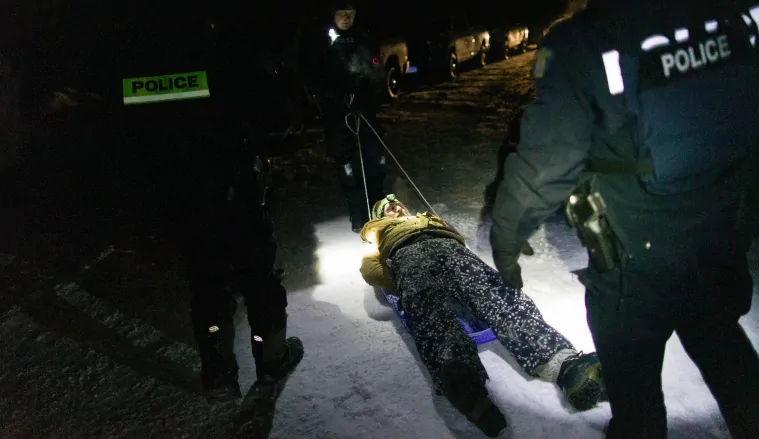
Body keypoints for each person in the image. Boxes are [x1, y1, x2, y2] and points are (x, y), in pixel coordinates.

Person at [489, 1, 759, 438]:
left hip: (632, 257)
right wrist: (755, 209)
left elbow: (546, 161)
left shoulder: (581, 42)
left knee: (634, 385)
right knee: (723, 342)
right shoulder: (737, 14)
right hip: (719, 232)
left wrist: (507, 239)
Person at [117, 1, 304, 404]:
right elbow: (277, 118)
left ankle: (219, 376)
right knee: (258, 279)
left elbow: (129, 132)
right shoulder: (226, 56)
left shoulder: (142, 64)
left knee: (207, 282)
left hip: (183, 197)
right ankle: (270, 362)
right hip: (234, 190)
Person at [359, 194, 604, 438]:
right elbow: (371, 269)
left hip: (451, 249)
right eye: (389, 208)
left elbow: (457, 238)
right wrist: (401, 278)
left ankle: (563, 364)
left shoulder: (426, 218)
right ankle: (465, 387)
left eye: (398, 204)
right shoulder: (376, 231)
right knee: (430, 312)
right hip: (408, 256)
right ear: (380, 216)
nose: (396, 208)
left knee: (499, 295)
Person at [300, 1, 387, 232]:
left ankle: (379, 212)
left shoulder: (364, 37)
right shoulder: (321, 41)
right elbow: (312, 76)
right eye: (342, 14)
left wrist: (365, 92)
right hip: (337, 115)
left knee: (375, 161)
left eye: (350, 14)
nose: (346, 19)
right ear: (333, 15)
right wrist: (335, 96)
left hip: (364, 111)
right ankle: (359, 217)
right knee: (348, 166)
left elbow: (376, 70)